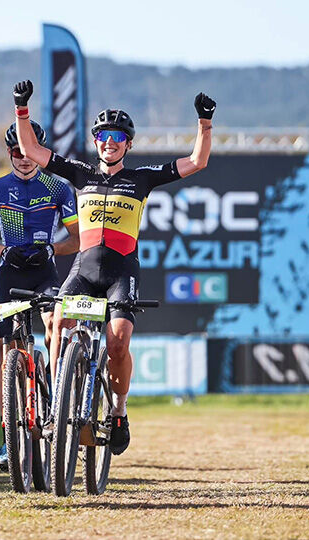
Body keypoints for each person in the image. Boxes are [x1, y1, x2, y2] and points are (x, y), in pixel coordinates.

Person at [12, 79, 215, 455]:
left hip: (121, 274)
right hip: (84, 270)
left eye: (118, 136)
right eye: (103, 135)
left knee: (118, 344)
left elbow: (198, 162)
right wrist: (21, 108)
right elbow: (31, 149)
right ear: (95, 141)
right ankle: (58, 402)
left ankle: (118, 411)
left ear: (128, 143)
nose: (110, 141)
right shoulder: (79, 174)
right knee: (57, 321)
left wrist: (204, 123)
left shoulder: (141, 178)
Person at [0, 119, 80, 471]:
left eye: (29, 151)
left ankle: (57, 397)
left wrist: (51, 248)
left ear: (40, 152)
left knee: (55, 324)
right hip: (10, 272)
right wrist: (3, 250)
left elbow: (76, 240)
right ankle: (7, 439)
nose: (23, 158)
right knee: (8, 357)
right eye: (16, 152)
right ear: (9, 153)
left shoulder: (60, 189)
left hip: (45, 272)